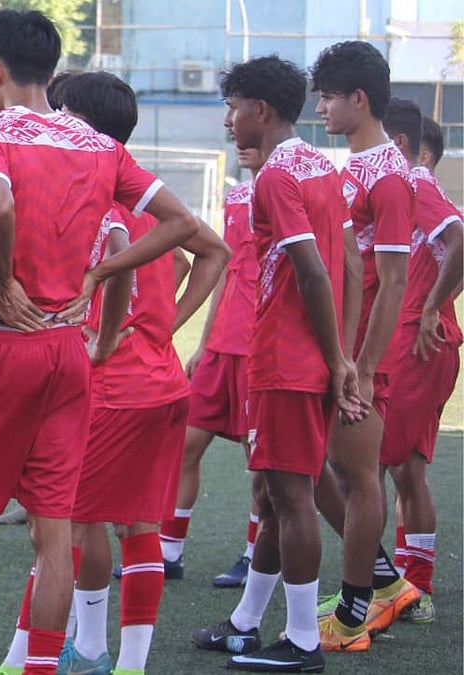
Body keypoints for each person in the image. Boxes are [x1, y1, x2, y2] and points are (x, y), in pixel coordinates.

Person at [0, 11, 201, 675]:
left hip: (2, 347)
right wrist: (100, 272)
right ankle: (42, 667)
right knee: (53, 528)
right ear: (51, 71)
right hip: (67, 350)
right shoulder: (98, 145)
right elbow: (180, 224)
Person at [0, 70, 230, 675]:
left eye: (61, 110)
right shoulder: (148, 198)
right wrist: (162, 328)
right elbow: (212, 253)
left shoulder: (94, 197)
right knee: (138, 525)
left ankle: (37, 659)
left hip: (108, 386)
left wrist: (119, 333)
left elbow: (123, 271)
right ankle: (113, 659)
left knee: (61, 533)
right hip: (161, 384)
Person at [190, 55, 365, 673]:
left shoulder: (273, 177)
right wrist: (339, 354)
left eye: (233, 109)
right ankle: (244, 624)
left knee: (292, 497)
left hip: (286, 359)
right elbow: (346, 264)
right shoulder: (322, 166)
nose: (230, 122)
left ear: (260, 111)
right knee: (271, 493)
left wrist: (336, 358)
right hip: (306, 356)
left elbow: (313, 269)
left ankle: (302, 642)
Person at [309, 40, 419, 648]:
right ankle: (382, 580)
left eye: (328, 96)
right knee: (319, 472)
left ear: (359, 98)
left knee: (356, 475)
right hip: (337, 346)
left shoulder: (391, 176)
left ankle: (356, 613)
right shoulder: (348, 167)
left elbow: (395, 277)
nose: (320, 107)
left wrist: (366, 367)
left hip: (366, 353)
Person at [162, 146, 264, 589]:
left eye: (239, 109)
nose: (232, 125)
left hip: (263, 346)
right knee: (185, 443)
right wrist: (205, 341)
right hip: (223, 344)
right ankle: (168, 551)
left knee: (261, 461)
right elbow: (225, 265)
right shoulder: (238, 196)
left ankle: (255, 556)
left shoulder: (294, 186)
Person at [378, 107, 462, 625]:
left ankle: (394, 587)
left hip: (416, 343)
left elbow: (460, 238)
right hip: (414, 339)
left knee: (373, 469)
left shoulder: (413, 180)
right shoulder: (402, 188)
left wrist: (430, 307)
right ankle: (411, 584)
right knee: (404, 469)